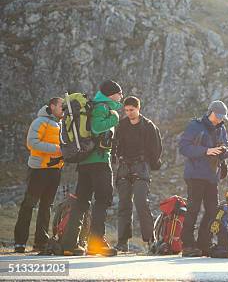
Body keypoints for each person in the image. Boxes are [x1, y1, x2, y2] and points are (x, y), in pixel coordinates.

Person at [61, 80, 123, 256]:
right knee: (103, 200)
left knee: (81, 201)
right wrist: (114, 118)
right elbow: (96, 128)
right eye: (119, 93)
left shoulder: (94, 105)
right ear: (111, 93)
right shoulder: (103, 107)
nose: (121, 97)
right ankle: (97, 242)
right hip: (100, 161)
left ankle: (69, 244)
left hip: (85, 163)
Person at [179, 100, 228, 257]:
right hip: (195, 175)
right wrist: (206, 151)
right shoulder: (195, 126)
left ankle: (204, 243)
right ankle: (187, 245)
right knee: (193, 209)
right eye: (220, 116)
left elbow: (227, 147)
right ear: (212, 113)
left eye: (223, 117)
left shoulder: (222, 128)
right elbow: (183, 147)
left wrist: (223, 152)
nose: (222, 119)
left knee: (212, 211)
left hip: (212, 176)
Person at [14, 98, 64, 253]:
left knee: (46, 206)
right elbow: (32, 143)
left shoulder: (61, 124)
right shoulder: (40, 121)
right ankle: (20, 242)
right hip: (38, 170)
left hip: (55, 170)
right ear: (52, 106)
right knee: (29, 204)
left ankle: (40, 243)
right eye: (61, 106)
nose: (64, 109)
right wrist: (58, 149)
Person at [113, 96, 163, 252]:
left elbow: (156, 148)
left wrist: (152, 164)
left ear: (138, 108)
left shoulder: (148, 126)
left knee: (141, 202)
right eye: (126, 110)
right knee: (123, 205)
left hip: (141, 167)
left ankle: (151, 241)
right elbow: (115, 145)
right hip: (124, 167)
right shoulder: (121, 125)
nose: (129, 113)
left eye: (131, 110)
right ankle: (122, 242)